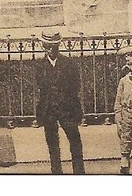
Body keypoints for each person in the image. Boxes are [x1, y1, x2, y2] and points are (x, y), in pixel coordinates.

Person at [34, 31, 85, 175]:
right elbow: (41, 88)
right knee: (52, 144)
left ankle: (79, 173)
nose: (49, 49)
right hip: (48, 110)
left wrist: (69, 104)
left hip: (67, 109)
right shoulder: (40, 65)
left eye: (53, 46)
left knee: (75, 141)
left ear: (58, 45)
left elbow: (76, 86)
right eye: (46, 46)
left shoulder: (69, 64)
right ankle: (56, 173)